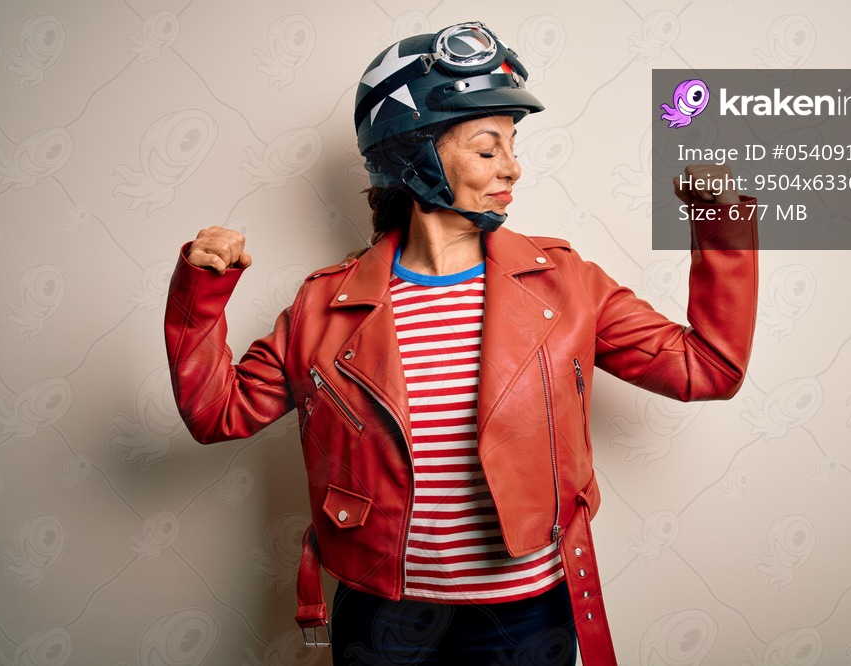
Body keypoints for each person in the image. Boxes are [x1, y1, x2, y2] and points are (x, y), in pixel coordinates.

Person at [165, 21, 758, 666]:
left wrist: (719, 222)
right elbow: (215, 413)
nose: (513, 167)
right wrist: (202, 292)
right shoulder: (322, 306)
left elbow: (709, 368)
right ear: (413, 156)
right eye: (486, 149)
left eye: (512, 144)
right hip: (382, 615)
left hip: (527, 613)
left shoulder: (567, 284)